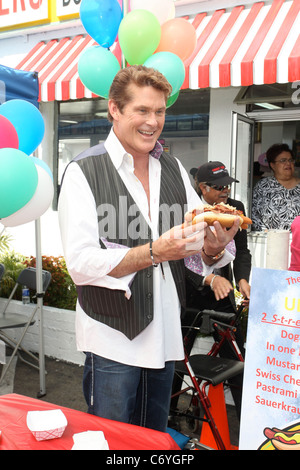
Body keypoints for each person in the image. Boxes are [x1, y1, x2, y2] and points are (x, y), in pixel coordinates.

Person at [58, 65, 240, 432]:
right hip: (112, 337)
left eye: (159, 111)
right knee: (111, 440)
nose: (152, 121)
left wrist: (213, 250)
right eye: (142, 110)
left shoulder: (171, 167)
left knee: (152, 440)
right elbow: (79, 262)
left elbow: (193, 247)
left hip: (165, 334)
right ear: (114, 109)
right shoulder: (84, 171)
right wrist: (153, 251)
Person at [171, 161, 251, 420]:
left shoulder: (235, 210)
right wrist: (207, 279)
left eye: (227, 185)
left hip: (222, 292)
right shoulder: (184, 211)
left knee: (237, 355)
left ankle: (246, 420)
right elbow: (176, 258)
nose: (225, 191)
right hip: (188, 294)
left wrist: (242, 280)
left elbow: (242, 251)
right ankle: (169, 416)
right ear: (201, 188)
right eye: (218, 187)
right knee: (177, 359)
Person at [252, 143, 300, 231]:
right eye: (283, 160)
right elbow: (254, 215)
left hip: (297, 241)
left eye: (290, 160)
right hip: (269, 240)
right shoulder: (263, 186)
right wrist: (265, 233)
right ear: (273, 165)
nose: (288, 163)